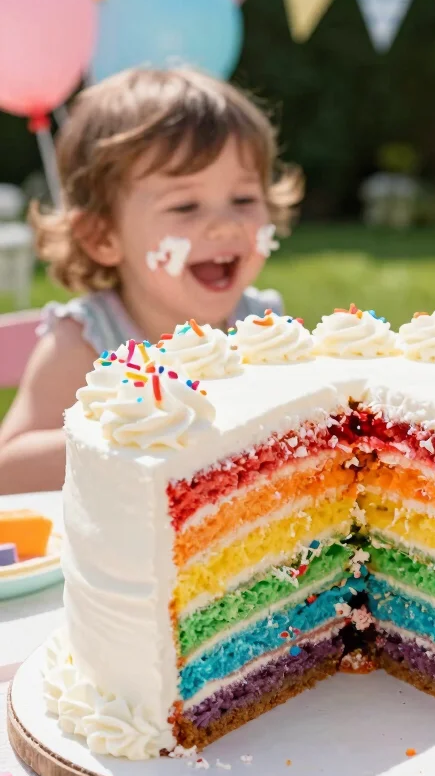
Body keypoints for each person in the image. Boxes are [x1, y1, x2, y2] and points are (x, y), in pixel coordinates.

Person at [0, 68, 302, 493]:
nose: (224, 225)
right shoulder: (83, 342)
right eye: (185, 206)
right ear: (102, 236)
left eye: (244, 199)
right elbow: (9, 470)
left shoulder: (263, 329)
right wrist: (130, 430)